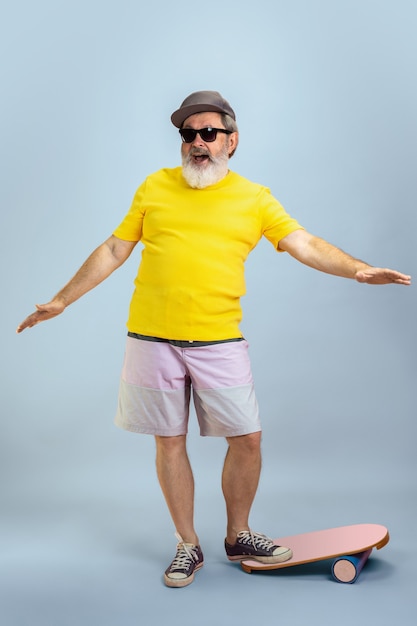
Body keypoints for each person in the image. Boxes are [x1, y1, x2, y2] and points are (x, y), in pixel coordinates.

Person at [17, 90, 411, 588]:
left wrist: (357, 269)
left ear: (232, 141)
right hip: (151, 340)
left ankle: (238, 534)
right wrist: (62, 299)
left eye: (208, 133)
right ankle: (187, 545)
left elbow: (303, 243)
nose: (197, 143)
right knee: (169, 442)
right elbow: (116, 248)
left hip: (219, 341)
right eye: (188, 134)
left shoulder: (255, 198)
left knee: (247, 439)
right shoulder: (154, 187)